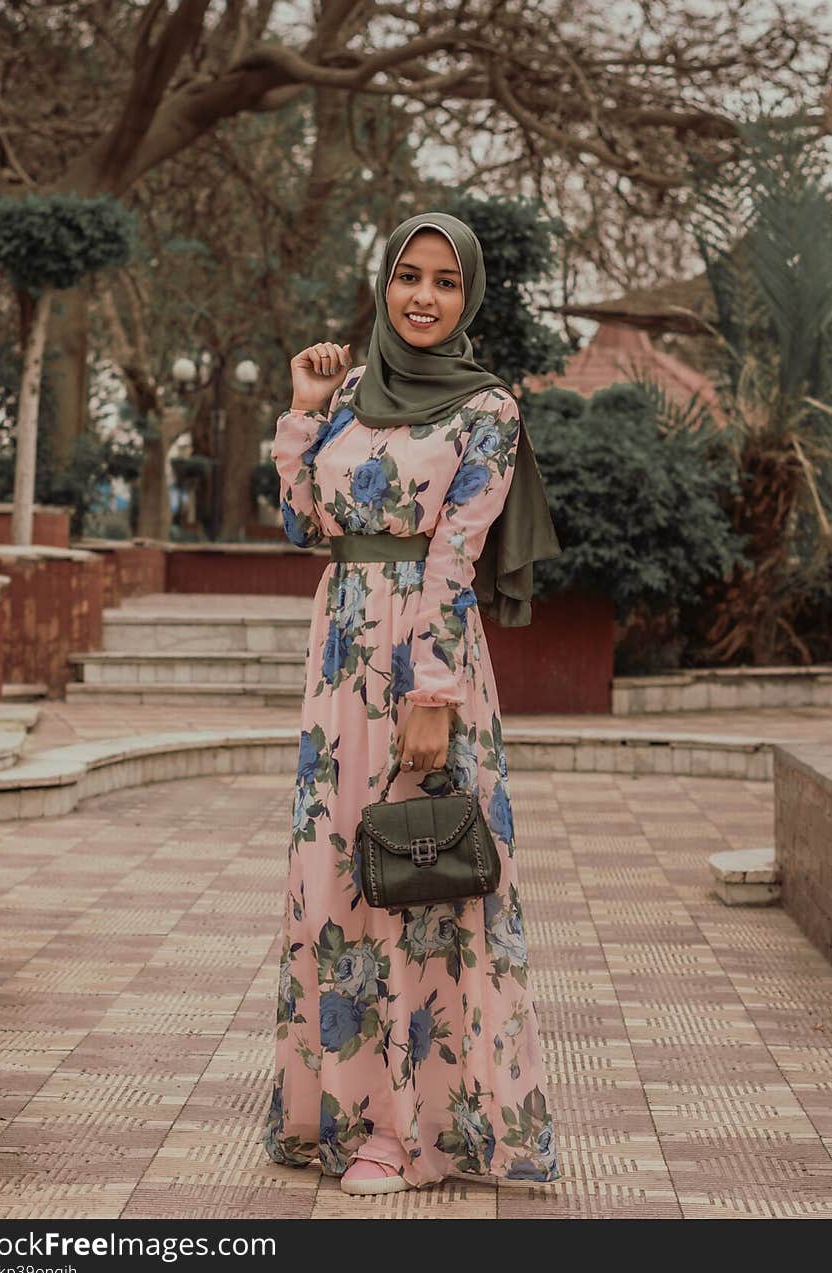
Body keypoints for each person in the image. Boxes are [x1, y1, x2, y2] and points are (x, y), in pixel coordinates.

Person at [263, 210, 563, 1196]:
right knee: (336, 887)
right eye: (407, 276)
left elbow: (455, 550)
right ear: (383, 282)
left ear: (466, 294)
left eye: (443, 280)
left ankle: (412, 1132)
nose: (423, 296)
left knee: (420, 891)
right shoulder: (349, 391)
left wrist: (430, 692)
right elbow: (307, 525)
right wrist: (304, 412)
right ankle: (339, 1116)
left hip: (420, 658)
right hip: (338, 657)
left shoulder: (486, 409)